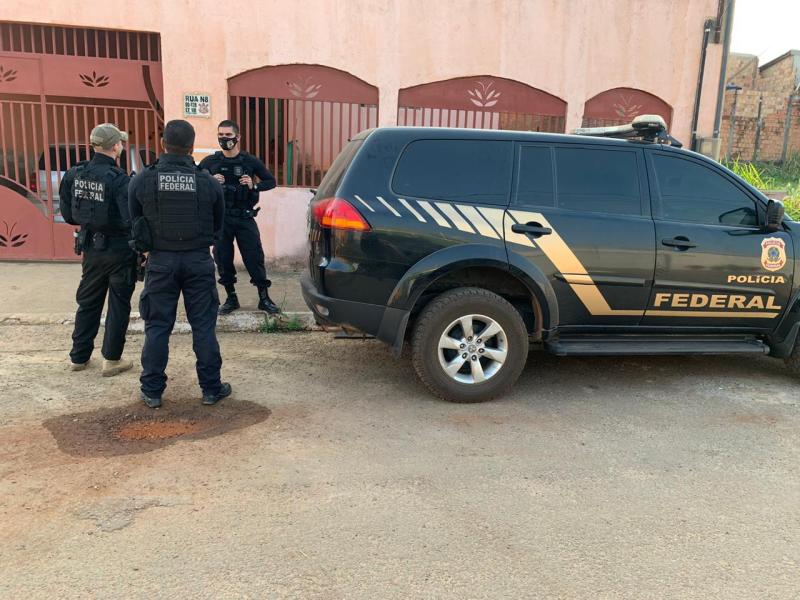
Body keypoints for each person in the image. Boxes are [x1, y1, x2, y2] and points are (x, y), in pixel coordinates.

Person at [128, 119, 230, 408]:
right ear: (192, 147)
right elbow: (219, 226)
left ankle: (152, 391)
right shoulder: (208, 182)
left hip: (161, 261)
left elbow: (134, 222)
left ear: (163, 144)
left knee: (158, 327)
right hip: (198, 260)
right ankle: (211, 389)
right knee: (203, 326)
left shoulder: (142, 180)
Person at [60, 123, 136, 377]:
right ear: (115, 146)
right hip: (119, 250)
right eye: (120, 142)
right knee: (118, 304)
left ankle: (79, 357)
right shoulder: (119, 179)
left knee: (88, 302)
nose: (121, 146)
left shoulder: (75, 174)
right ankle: (112, 360)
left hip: (91, 247)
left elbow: (69, 215)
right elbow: (130, 219)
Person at [198, 120, 279, 315]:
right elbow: (196, 182)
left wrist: (254, 185)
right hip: (222, 219)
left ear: (238, 137)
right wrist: (210, 180)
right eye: (221, 135)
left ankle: (264, 298)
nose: (224, 139)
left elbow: (271, 181)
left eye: (228, 135)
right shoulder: (210, 162)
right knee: (223, 258)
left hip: (244, 218)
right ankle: (231, 298)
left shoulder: (249, 161)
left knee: (254, 256)